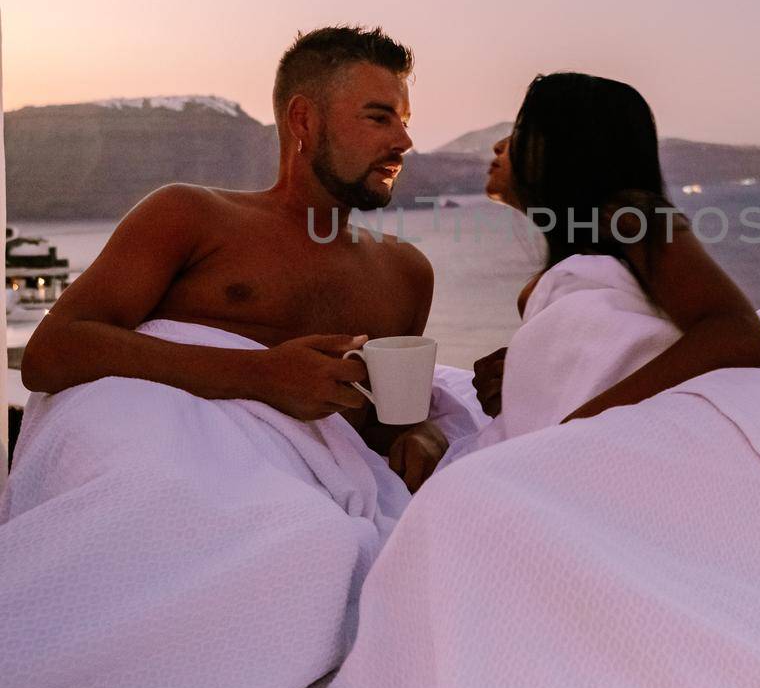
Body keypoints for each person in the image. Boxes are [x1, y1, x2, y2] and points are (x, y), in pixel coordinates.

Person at [21, 25, 449, 489]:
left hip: (315, 502)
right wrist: (260, 375)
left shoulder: (406, 273)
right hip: (175, 481)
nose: (404, 141)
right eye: (379, 118)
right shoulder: (190, 216)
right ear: (304, 121)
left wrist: (420, 433)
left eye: (405, 121)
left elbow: (386, 420)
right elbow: (50, 353)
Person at [472, 72, 760, 425]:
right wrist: (528, 376)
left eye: (521, 131)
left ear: (570, 147)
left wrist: (577, 427)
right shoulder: (546, 284)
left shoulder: (632, 217)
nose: (499, 144)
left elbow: (737, 331)